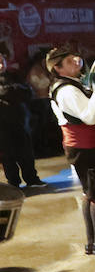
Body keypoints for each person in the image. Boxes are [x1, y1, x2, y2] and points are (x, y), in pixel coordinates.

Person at [46, 47, 95, 254]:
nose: (76, 62)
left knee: (91, 193)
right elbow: (89, 116)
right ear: (58, 67)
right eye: (70, 61)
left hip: (87, 145)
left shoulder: (72, 83)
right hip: (83, 147)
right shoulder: (66, 90)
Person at [0, 50, 43, 186]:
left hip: (20, 121)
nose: (0, 65)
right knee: (8, 156)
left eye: (1, 61)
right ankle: (13, 182)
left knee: (26, 153)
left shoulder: (14, 76)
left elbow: (28, 91)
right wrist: (11, 92)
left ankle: (32, 179)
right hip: (2, 126)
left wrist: (9, 92)